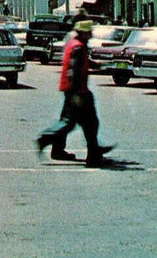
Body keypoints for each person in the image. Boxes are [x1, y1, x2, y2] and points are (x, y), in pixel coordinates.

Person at [35, 19, 113, 168]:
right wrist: (77, 93)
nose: (90, 34)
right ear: (83, 33)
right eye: (88, 32)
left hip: (73, 90)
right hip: (78, 91)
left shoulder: (74, 44)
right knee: (86, 124)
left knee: (73, 123)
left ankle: (93, 153)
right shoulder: (78, 47)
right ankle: (93, 156)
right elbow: (73, 70)